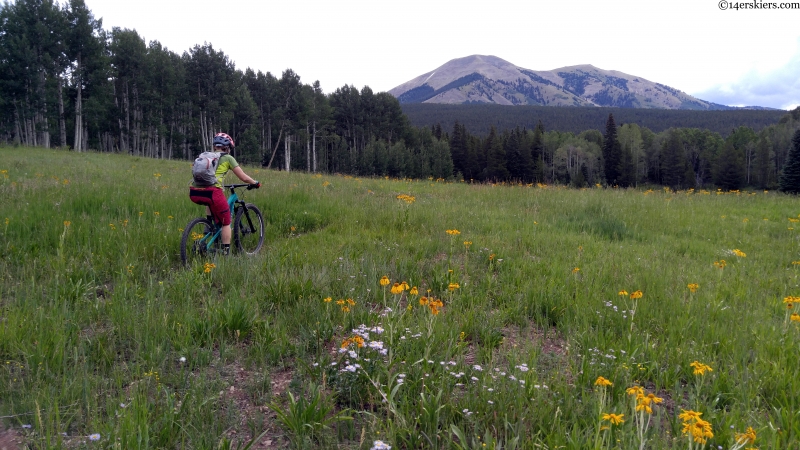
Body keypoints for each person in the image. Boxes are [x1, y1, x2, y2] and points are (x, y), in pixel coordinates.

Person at [189, 132, 260, 255]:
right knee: (226, 222)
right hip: (213, 192)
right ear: (228, 147)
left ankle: (209, 228)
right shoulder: (228, 158)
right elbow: (243, 177)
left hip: (195, 192)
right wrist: (255, 183)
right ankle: (225, 251)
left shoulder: (205, 156)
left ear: (214, 146)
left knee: (210, 203)